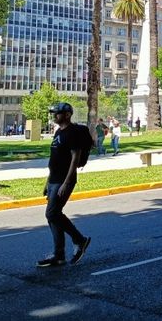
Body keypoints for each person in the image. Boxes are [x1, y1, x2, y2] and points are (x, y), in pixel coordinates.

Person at [37, 102, 91, 268]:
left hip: (63, 180)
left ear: (67, 114)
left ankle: (79, 240)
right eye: (54, 113)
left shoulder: (72, 133)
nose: (55, 116)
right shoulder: (59, 132)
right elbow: (55, 159)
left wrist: (66, 183)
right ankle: (58, 255)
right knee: (53, 216)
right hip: (54, 179)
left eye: (58, 113)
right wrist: (48, 182)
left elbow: (74, 159)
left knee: (52, 214)